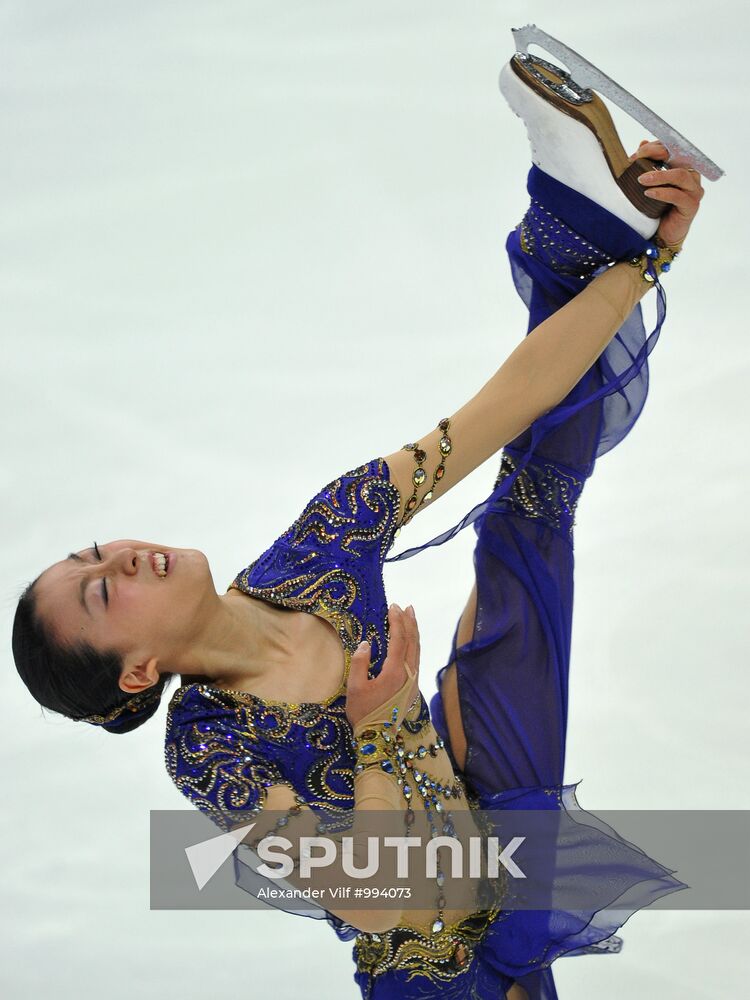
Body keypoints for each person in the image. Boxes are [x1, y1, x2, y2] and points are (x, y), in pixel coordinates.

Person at [12, 41, 709, 1000]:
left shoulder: (324, 539)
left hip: (488, 823)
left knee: (531, 508)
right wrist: (377, 729)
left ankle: (584, 225)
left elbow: (502, 406)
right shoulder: (209, 744)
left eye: (101, 550)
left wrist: (641, 263)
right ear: (135, 672)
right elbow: (372, 899)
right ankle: (591, 230)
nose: (127, 555)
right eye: (104, 588)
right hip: (431, 974)